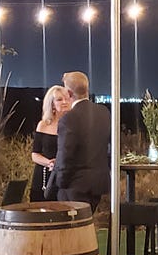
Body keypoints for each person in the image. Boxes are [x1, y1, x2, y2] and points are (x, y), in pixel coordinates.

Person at [44, 70, 111, 213]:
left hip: (75, 185)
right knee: (87, 226)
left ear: (69, 93)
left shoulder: (69, 118)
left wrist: (60, 183)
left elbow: (65, 154)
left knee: (71, 231)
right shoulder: (104, 113)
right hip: (98, 183)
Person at [29, 84, 72, 201]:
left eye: (67, 99)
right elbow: (35, 154)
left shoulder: (74, 125)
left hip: (66, 179)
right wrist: (49, 163)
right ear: (51, 104)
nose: (64, 102)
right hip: (43, 178)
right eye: (59, 99)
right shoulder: (43, 125)